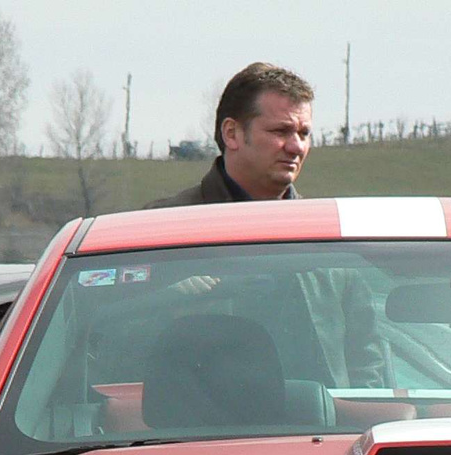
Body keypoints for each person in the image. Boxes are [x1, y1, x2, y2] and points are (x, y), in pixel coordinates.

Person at [147, 62, 386, 388]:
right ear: (231, 133)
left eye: (303, 133)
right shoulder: (159, 231)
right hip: (200, 428)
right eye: (280, 131)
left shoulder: (327, 240)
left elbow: (366, 361)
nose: (296, 147)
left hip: (323, 433)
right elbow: (122, 344)